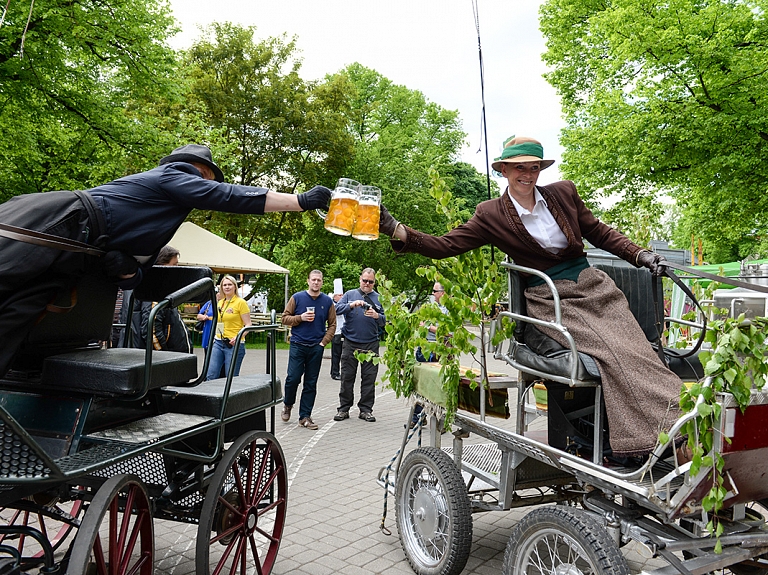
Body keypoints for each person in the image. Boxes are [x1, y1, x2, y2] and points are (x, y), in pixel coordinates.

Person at [378, 135, 677, 458]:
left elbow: (601, 233)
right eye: (520, 167)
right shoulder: (491, 213)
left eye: (534, 167)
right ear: (504, 170)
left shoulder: (564, 193)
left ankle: (682, 420)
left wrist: (641, 255)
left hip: (595, 288)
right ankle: (656, 436)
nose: (528, 174)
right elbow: (446, 245)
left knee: (638, 348)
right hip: (550, 299)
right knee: (612, 352)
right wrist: (396, 229)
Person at [0, 143, 331, 378]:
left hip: (78, 253)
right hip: (58, 222)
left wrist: (126, 269)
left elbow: (134, 279)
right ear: (198, 173)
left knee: (15, 320)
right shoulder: (172, 176)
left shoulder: (157, 219)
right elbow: (226, 196)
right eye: (207, 180)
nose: (207, 188)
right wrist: (299, 201)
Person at [280, 270, 336, 430]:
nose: (316, 282)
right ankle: (288, 404)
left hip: (316, 347)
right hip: (298, 345)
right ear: (308, 281)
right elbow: (284, 318)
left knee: (310, 383)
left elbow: (332, 324)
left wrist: (323, 343)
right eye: (313, 280)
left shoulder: (327, 301)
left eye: (319, 280)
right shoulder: (297, 298)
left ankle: (305, 416)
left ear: (322, 282)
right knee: (293, 378)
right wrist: (300, 318)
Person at [333, 268, 386, 423]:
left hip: (371, 343)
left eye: (370, 282)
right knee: (347, 376)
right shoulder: (350, 294)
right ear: (360, 280)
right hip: (350, 342)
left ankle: (366, 410)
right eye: (365, 281)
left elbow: (386, 320)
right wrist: (351, 305)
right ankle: (344, 408)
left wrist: (377, 316)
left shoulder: (379, 298)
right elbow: (335, 309)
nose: (367, 284)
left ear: (374, 283)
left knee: (369, 378)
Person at [139, 245, 191, 353]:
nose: (177, 269)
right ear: (161, 266)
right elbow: (151, 329)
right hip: (166, 359)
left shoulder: (162, 289)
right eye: (174, 265)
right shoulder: (155, 290)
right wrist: (164, 355)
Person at [412, 281, 449, 427]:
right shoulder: (430, 307)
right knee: (419, 382)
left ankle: (441, 418)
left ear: (443, 292)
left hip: (439, 350)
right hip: (424, 347)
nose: (432, 294)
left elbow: (449, 332)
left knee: (438, 384)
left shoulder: (449, 310)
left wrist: (427, 326)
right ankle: (418, 418)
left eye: (435, 291)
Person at [205, 275, 251, 380]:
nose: (227, 287)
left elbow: (248, 325)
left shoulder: (241, 302)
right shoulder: (220, 302)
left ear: (235, 286)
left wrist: (238, 337)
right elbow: (219, 321)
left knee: (230, 377)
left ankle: (229, 396)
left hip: (234, 343)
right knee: (211, 374)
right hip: (218, 341)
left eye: (229, 284)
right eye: (224, 285)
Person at [329, 291, 344, 380]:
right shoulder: (333, 306)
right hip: (336, 332)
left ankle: (339, 371)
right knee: (336, 354)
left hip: (343, 331)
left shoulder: (342, 305)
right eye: (340, 295)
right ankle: (335, 373)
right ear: (335, 297)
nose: (342, 297)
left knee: (343, 354)